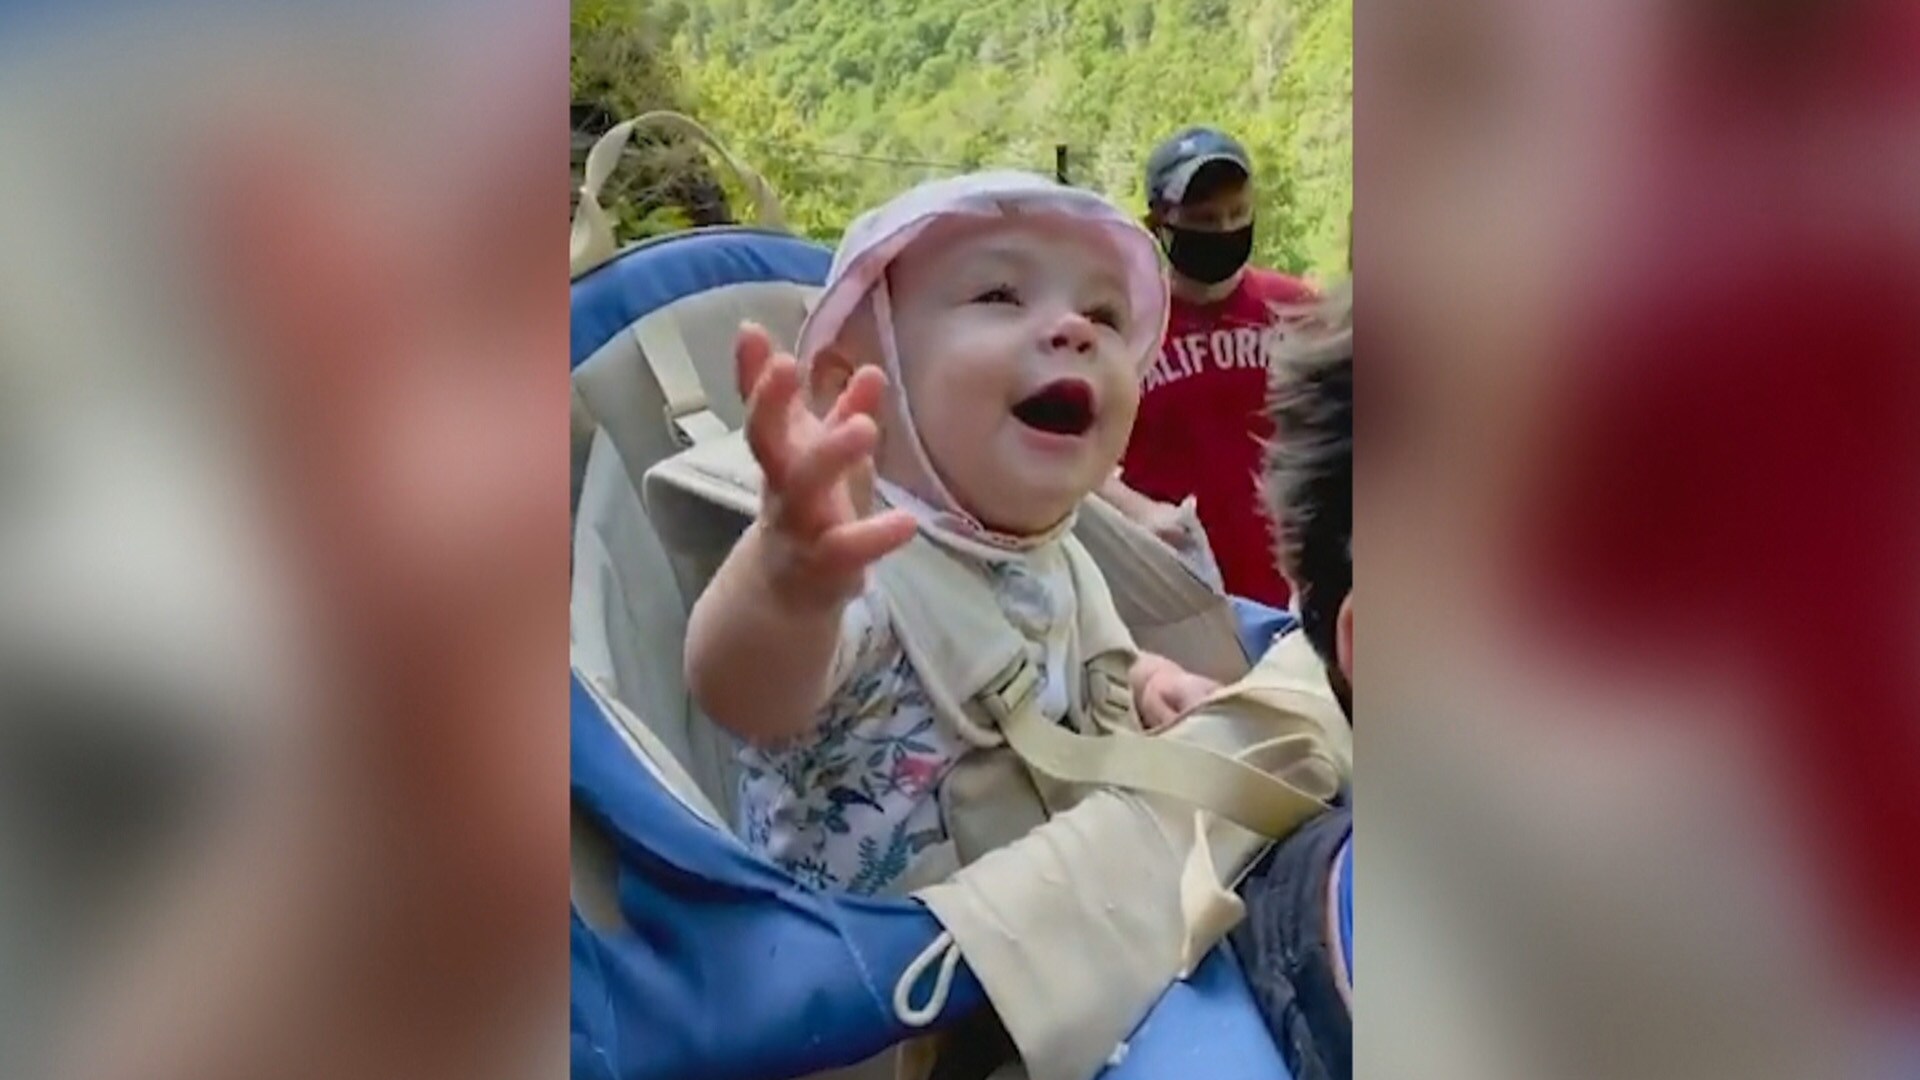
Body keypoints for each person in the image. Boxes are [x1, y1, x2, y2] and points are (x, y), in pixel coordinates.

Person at [683, 171, 1179, 895]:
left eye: (1104, 314)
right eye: (999, 295)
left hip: (1041, 934)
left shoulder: (1054, 549)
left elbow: (1071, 658)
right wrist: (787, 583)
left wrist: (1150, 679)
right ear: (848, 385)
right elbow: (742, 695)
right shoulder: (859, 565)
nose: (1076, 330)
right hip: (875, 984)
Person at [1108, 126, 1317, 609]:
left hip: (1292, 592)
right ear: (1158, 222)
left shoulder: (1300, 311)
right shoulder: (1122, 323)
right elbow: (1075, 461)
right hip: (1168, 593)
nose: (1224, 230)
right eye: (1203, 218)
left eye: (1237, 213)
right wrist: (1140, 513)